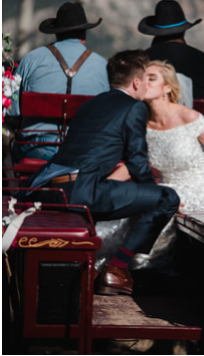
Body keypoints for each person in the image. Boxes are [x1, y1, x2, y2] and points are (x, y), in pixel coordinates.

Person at [22, 50, 180, 295]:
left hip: (46, 186)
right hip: (78, 191)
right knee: (167, 199)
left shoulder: (90, 104)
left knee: (121, 193)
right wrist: (152, 194)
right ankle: (117, 270)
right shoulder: (135, 108)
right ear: (136, 82)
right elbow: (138, 163)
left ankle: (90, 268)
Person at [103, 61, 204, 269]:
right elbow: (132, 165)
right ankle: (119, 266)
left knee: (157, 208)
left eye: (152, 78)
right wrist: (103, 186)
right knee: (128, 215)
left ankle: (140, 269)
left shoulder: (188, 116)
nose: (144, 83)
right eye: (142, 78)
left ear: (167, 88)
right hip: (169, 189)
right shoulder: (140, 124)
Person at [7, 2, 109, 161]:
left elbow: (12, 110)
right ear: (84, 35)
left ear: (56, 34)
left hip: (36, 149)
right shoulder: (103, 66)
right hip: (85, 149)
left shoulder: (30, 60)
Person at [138, 0, 204, 107]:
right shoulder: (203, 59)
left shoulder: (142, 60)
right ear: (184, 30)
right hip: (197, 121)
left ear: (156, 32)